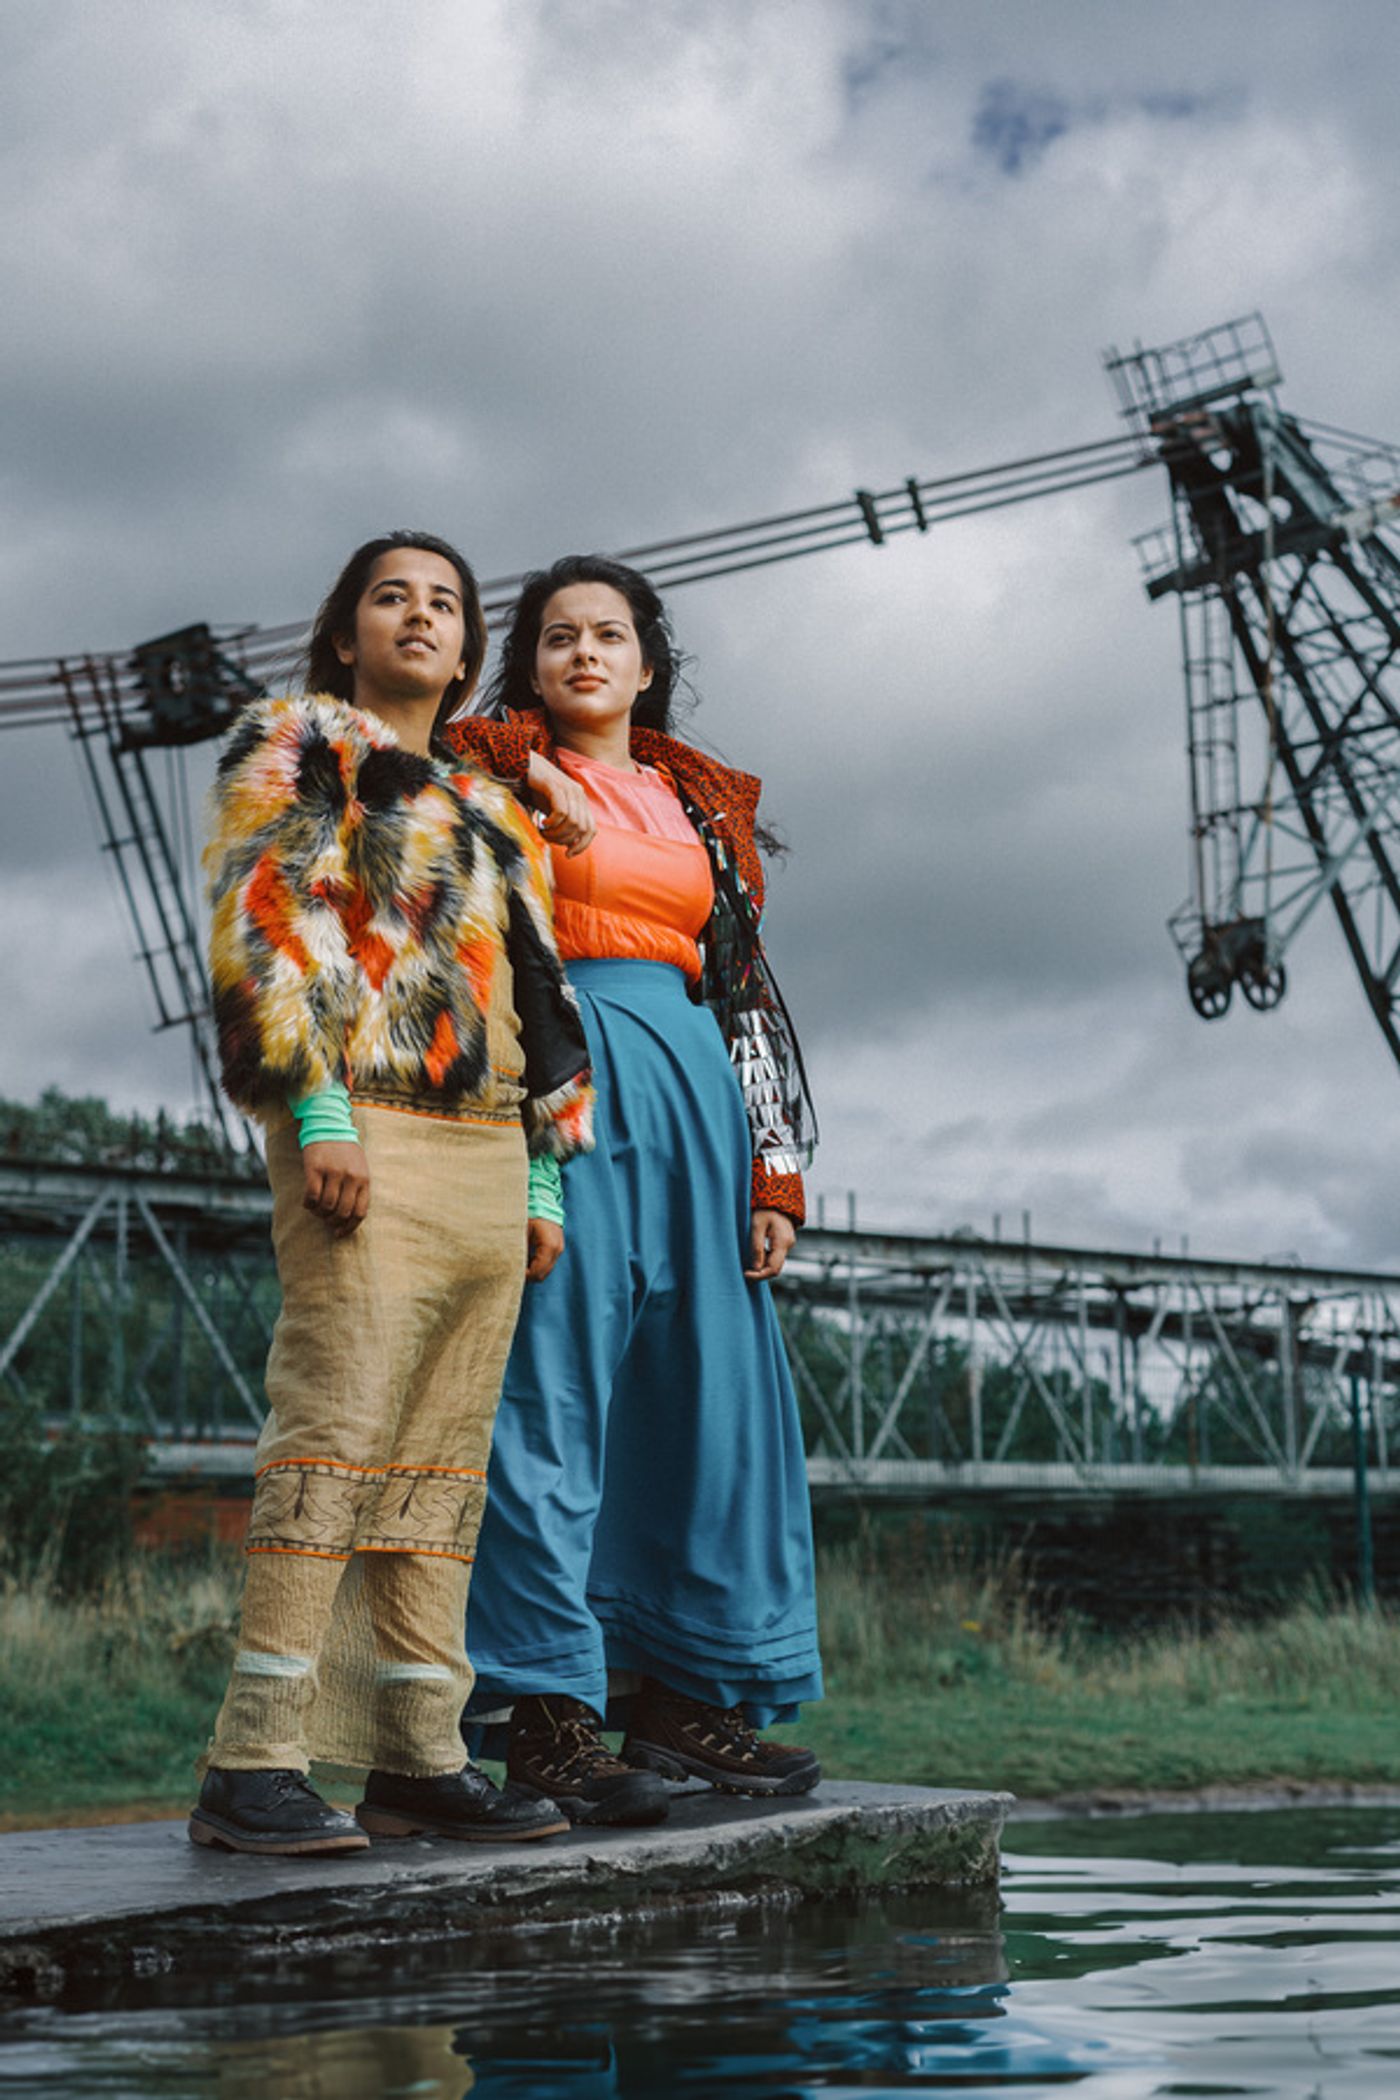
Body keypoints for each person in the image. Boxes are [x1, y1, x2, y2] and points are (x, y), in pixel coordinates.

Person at [190, 531, 593, 1855]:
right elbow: (264, 933)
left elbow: (535, 992)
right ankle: (253, 1762)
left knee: (438, 1464)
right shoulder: (299, 748)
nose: (418, 617)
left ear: (469, 649)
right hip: (362, 1127)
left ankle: (419, 1757)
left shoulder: (492, 809)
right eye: (389, 597)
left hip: (485, 1154)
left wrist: (541, 1169)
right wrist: (316, 1114)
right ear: (346, 629)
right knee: (333, 1430)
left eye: (443, 604)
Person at [444, 554, 822, 1827]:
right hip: (564, 1087)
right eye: (558, 637)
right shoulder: (489, 773)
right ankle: (545, 1713)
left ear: (647, 665)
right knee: (549, 1393)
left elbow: (745, 991)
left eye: (609, 636)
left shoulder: (695, 803)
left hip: (699, 1103)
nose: (585, 654)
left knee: (710, 1405)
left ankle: (679, 1695)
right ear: (531, 665)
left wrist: (775, 1168)